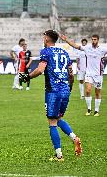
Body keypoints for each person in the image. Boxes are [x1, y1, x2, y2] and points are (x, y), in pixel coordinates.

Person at [20, 30, 82, 161]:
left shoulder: (46, 52)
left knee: (52, 122)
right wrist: (69, 87)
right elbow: (71, 74)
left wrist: (28, 77)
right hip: (65, 90)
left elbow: (40, 69)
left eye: (44, 37)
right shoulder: (65, 53)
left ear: (47, 38)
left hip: (53, 91)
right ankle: (74, 138)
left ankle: (59, 155)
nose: (43, 39)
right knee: (58, 118)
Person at [61, 34, 107, 116]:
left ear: (98, 40)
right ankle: (89, 109)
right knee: (88, 90)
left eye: (95, 39)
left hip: (98, 75)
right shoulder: (87, 48)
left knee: (97, 92)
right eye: (92, 39)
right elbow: (75, 46)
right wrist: (66, 40)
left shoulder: (102, 50)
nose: (93, 41)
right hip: (89, 74)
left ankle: (96, 110)